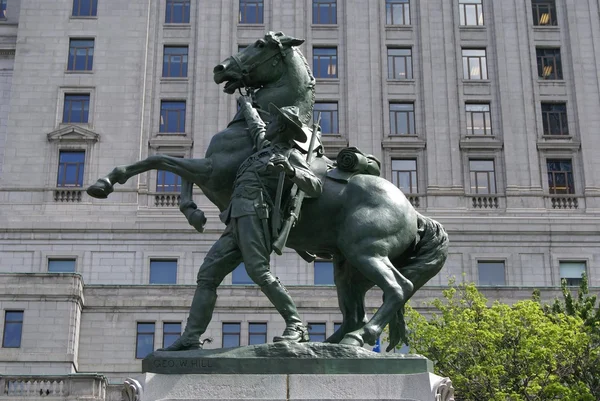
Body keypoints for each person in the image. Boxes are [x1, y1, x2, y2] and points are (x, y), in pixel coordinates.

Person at [162, 96, 323, 351]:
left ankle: (296, 324)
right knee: (207, 275)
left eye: (273, 121)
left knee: (258, 271)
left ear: (280, 127)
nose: (267, 123)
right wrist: (246, 104)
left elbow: (315, 185)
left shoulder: (288, 154)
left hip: (256, 217)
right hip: (236, 218)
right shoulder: (263, 146)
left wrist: (290, 171)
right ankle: (191, 336)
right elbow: (255, 124)